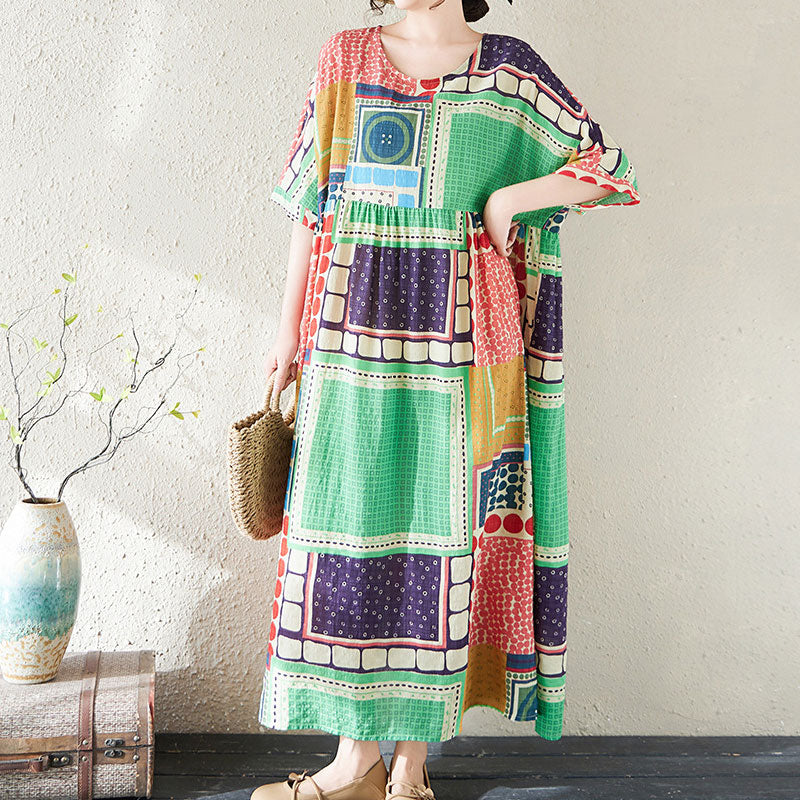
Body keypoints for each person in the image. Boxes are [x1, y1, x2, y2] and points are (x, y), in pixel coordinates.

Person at [252, 1, 640, 798]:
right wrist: (285, 332)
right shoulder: (344, 56)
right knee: (353, 526)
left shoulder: (511, 69)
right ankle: (356, 758)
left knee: (449, 533)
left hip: (468, 335)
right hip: (350, 328)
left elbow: (608, 167)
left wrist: (506, 202)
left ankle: (410, 765)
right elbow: (310, 207)